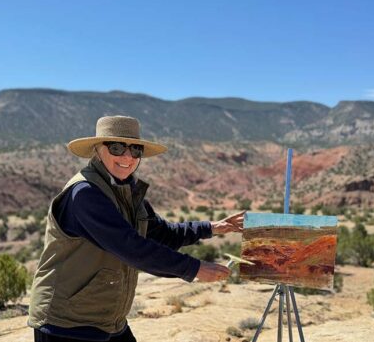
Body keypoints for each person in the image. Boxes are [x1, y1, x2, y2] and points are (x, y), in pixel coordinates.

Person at [28, 115, 244, 342]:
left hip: (107, 320)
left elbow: (162, 234)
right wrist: (194, 268)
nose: (128, 157)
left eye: (136, 150)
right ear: (97, 149)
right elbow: (131, 248)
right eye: (117, 147)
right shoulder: (84, 194)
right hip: (66, 324)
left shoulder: (127, 192)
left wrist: (212, 228)